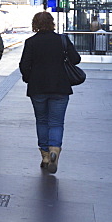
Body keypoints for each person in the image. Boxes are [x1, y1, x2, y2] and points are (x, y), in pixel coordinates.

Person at [19, 11, 81, 174]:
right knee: (56, 122)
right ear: (52, 23)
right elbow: (76, 59)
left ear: (35, 24)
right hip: (60, 87)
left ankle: (45, 156)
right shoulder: (62, 40)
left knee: (41, 120)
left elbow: (24, 66)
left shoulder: (30, 42)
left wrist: (29, 78)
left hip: (37, 88)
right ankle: (55, 151)